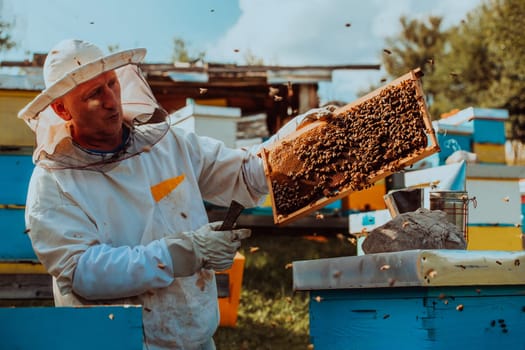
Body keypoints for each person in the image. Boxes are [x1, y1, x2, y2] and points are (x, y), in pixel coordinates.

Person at [18, 39, 330, 350]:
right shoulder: (52, 184)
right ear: (61, 109)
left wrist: (294, 141)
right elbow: (82, 272)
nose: (112, 101)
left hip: (194, 337)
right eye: (94, 95)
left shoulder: (168, 145)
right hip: (114, 342)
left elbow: (244, 174)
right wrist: (181, 253)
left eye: (112, 84)